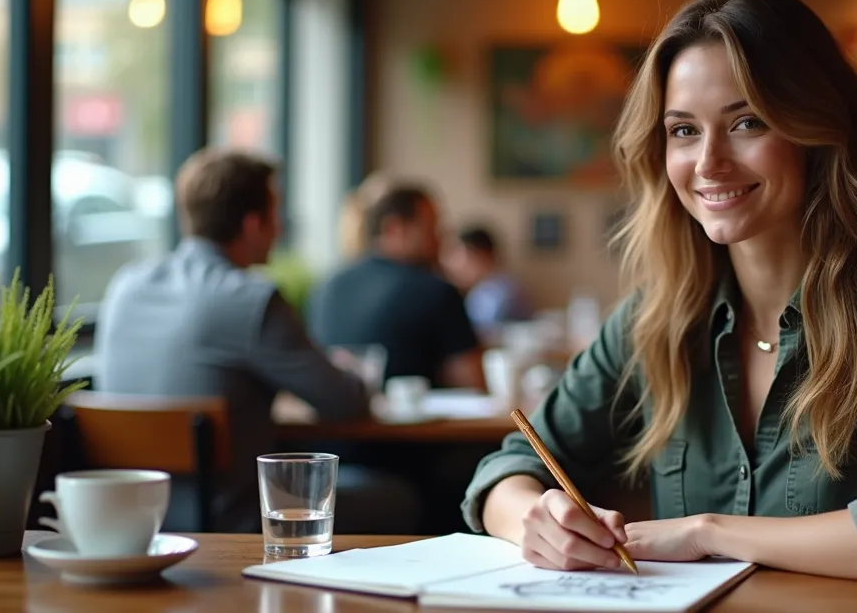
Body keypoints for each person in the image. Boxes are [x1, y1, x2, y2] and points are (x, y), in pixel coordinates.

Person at [461, 0, 857, 605]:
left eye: (747, 122)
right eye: (683, 130)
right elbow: (506, 470)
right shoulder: (653, 322)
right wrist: (535, 521)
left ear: (817, 132)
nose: (708, 163)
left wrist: (709, 533)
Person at [94, 148, 421, 534]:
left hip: (136, 523)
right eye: (275, 215)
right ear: (252, 225)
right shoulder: (251, 299)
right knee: (400, 497)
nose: (279, 230)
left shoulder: (125, 285)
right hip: (234, 524)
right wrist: (349, 372)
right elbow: (345, 403)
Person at [310, 184, 486, 390]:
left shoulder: (327, 286)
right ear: (393, 228)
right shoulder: (436, 292)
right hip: (416, 411)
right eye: (431, 228)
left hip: (339, 410)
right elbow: (471, 384)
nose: (439, 240)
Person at [442, 225, 532, 344]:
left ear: (479, 255)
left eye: (460, 256)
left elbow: (480, 335)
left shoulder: (497, 293)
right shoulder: (485, 289)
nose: (454, 265)